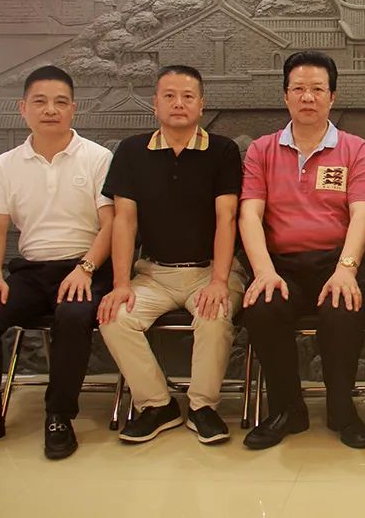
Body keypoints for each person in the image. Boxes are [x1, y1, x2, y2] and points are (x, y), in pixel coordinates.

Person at [0, 66, 113, 461]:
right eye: (40, 101)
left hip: (85, 268)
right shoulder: (5, 165)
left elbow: (112, 225)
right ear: (23, 108)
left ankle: (59, 416)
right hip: (31, 271)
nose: (50, 109)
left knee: (73, 315)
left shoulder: (97, 157)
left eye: (60, 102)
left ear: (73, 109)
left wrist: (85, 268)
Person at [97, 65, 246, 445]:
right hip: (153, 274)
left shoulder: (223, 150)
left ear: (201, 105)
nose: (178, 103)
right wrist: (120, 284)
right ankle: (157, 404)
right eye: (169, 96)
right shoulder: (132, 151)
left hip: (210, 271)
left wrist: (219, 281)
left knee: (214, 315)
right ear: (155, 104)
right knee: (115, 317)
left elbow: (227, 218)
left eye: (188, 96)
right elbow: (124, 221)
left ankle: (203, 407)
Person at [238, 51, 365, 450]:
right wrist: (263, 272)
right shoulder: (262, 150)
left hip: (338, 261)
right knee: (262, 307)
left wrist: (346, 269)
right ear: (285, 96)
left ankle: (341, 409)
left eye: (317, 89)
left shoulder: (355, 148)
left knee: (343, 308)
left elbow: (362, 214)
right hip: (280, 265)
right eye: (298, 89)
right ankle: (287, 409)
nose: (307, 97)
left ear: (332, 97)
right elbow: (250, 215)